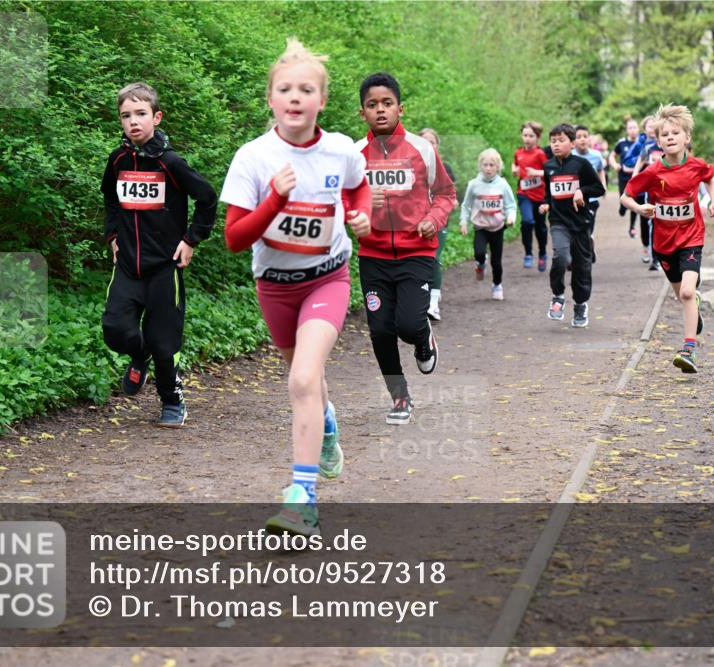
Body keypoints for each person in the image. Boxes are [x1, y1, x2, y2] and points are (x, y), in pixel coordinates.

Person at [220, 39, 372, 536]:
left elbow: (357, 185)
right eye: (285, 88)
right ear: (271, 99)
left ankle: (301, 499)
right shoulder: (253, 157)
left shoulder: (341, 149)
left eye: (306, 89)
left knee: (303, 379)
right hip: (275, 287)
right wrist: (274, 200)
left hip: (328, 279)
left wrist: (361, 214)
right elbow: (235, 239)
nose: (295, 97)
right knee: (305, 379)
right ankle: (326, 425)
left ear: (321, 101)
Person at [101, 82, 217, 428]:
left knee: (165, 344)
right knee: (114, 330)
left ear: (156, 117)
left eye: (141, 114)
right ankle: (140, 356)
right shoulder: (118, 159)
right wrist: (112, 236)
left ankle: (171, 401)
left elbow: (207, 198)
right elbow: (110, 198)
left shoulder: (171, 162)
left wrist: (191, 240)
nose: (133, 121)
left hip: (164, 268)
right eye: (126, 115)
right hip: (127, 266)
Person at [355, 72, 456, 425]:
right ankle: (400, 398)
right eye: (372, 105)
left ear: (400, 108)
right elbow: (341, 200)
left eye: (387, 103)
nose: (380, 110)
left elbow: (446, 193)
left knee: (410, 326)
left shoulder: (422, 149)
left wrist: (433, 219)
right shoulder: (354, 155)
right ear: (362, 112)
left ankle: (423, 338)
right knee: (381, 331)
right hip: (373, 256)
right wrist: (362, 204)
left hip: (416, 252)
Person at [620, 104, 714, 374]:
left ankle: (689, 350)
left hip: (691, 237)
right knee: (682, 296)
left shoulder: (696, 166)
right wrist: (639, 208)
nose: (670, 138)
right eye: (664, 135)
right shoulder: (654, 172)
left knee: (688, 291)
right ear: (658, 142)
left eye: (675, 133)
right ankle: (694, 308)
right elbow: (625, 196)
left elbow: (710, 178)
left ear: (686, 137)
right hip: (664, 243)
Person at [538, 123, 606, 328]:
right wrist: (546, 203)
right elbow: (549, 193)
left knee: (581, 267)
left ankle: (580, 304)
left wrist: (581, 192)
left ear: (572, 143)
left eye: (561, 140)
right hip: (558, 222)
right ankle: (558, 296)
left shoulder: (581, 165)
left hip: (581, 223)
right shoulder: (548, 166)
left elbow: (599, 188)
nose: (556, 144)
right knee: (560, 257)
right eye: (553, 141)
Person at [460, 148, 516, 300]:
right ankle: (481, 263)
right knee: (479, 253)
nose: (488, 168)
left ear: (498, 167)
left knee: (496, 262)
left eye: (492, 165)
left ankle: (497, 285)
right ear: (480, 166)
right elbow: (466, 205)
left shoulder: (502, 184)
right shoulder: (474, 184)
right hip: (481, 227)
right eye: (485, 165)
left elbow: (511, 205)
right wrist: (463, 221)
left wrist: (511, 217)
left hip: (497, 228)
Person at [419, 128, 456, 321]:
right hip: (416, 222)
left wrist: (452, 202)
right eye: (423, 142)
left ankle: (433, 303)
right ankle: (421, 296)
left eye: (432, 142)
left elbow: (450, 193)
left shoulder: (445, 168)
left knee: (434, 258)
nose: (428, 146)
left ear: (437, 146)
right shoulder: (410, 166)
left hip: (439, 221)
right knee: (419, 261)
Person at [512, 121, 549, 271]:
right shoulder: (518, 153)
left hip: (540, 196)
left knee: (540, 227)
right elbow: (515, 165)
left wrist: (536, 172)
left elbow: (549, 172)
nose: (527, 138)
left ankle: (542, 253)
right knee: (527, 221)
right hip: (524, 194)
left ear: (537, 137)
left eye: (531, 136)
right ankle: (528, 253)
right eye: (525, 135)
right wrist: (514, 170)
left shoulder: (540, 154)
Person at [631, 116, 663, 270]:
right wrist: (634, 178)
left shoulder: (668, 145)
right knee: (653, 222)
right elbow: (640, 162)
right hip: (652, 190)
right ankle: (655, 259)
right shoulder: (648, 147)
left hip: (669, 189)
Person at [573, 125, 607, 262]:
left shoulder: (596, 155)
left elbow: (600, 170)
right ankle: (575, 256)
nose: (582, 139)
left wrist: (603, 184)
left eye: (585, 136)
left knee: (587, 228)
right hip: (573, 199)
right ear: (573, 140)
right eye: (578, 137)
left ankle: (588, 244)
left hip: (591, 199)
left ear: (589, 139)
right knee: (574, 228)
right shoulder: (570, 156)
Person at [609, 116, 640, 238]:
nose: (632, 130)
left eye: (634, 127)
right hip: (623, 176)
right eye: (630, 128)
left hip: (637, 177)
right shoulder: (621, 143)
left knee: (634, 201)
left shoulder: (642, 143)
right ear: (627, 130)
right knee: (623, 199)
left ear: (638, 129)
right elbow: (612, 156)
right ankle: (622, 207)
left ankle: (632, 227)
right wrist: (615, 165)